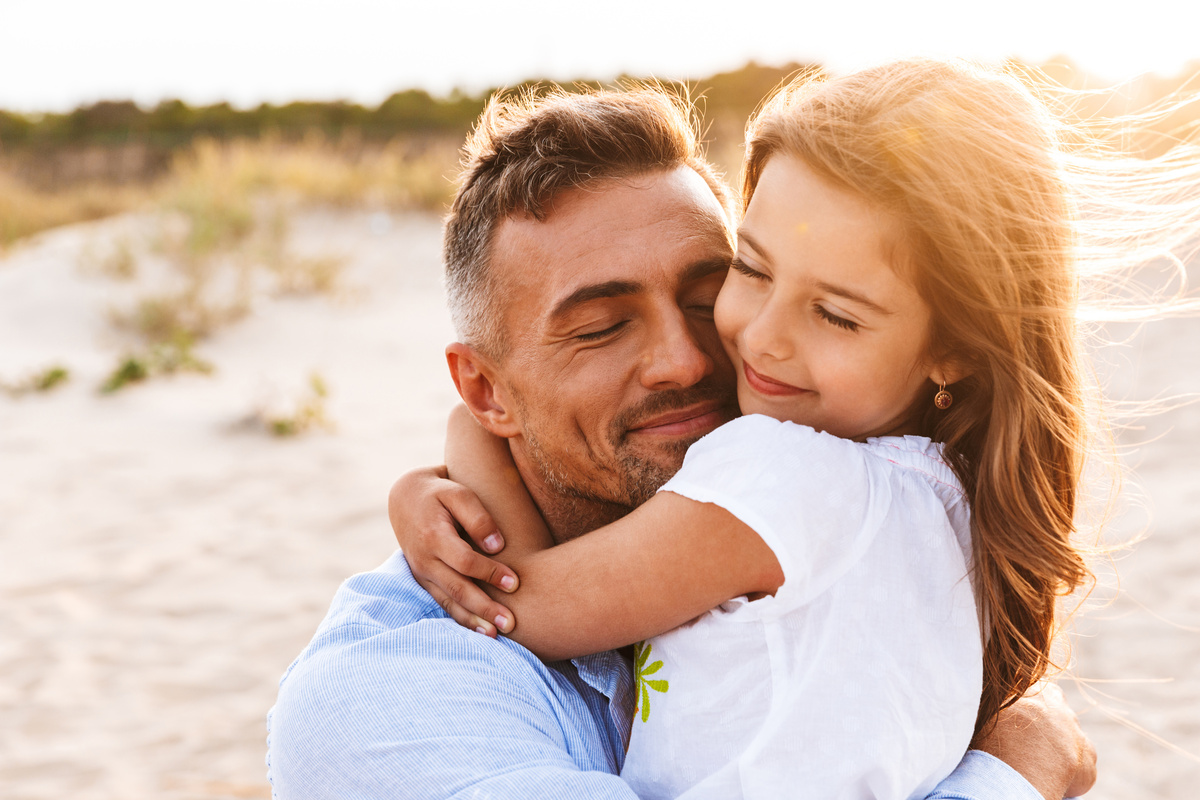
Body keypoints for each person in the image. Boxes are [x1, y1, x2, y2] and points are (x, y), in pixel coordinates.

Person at [267, 84, 1098, 799]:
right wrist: (1017, 768)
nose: (691, 358)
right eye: (600, 328)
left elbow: (530, 596)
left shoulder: (801, 505)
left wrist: (462, 453)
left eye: (709, 293)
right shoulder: (384, 698)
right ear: (486, 391)